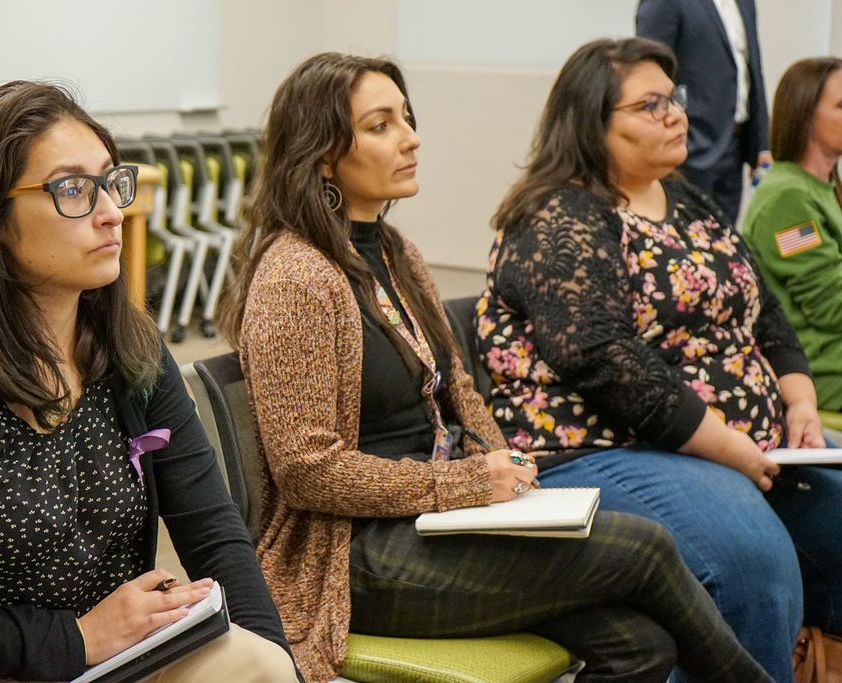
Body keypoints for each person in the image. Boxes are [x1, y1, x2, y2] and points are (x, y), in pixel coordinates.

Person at [219, 51, 771, 683]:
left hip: (437, 518)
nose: (411, 137)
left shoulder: (397, 253)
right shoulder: (296, 276)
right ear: (322, 155)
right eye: (381, 125)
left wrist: (506, 472)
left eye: (407, 117)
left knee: (640, 644)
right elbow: (308, 475)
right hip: (353, 555)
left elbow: (459, 389)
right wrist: (469, 487)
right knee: (644, 548)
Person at [0, 81, 297, 683]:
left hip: (114, 655)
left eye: (110, 181)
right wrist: (74, 638)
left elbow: (214, 531)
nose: (111, 211)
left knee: (257, 667)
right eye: (73, 189)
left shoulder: (129, 345)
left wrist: (274, 656)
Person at [476, 37, 842, 682]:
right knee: (748, 559)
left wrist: (799, 401)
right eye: (650, 105)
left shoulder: (687, 200)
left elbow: (764, 310)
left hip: (729, 446)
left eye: (674, 99)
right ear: (592, 123)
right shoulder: (560, 214)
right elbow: (601, 356)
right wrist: (722, 444)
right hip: (599, 448)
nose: (676, 115)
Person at [741, 57, 842, 412]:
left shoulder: (822, 188)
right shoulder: (788, 198)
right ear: (805, 115)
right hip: (821, 369)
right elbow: (832, 305)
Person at [637, 0, 771, 224]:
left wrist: (761, 144)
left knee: (724, 243)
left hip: (736, 146)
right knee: (684, 240)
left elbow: (752, 69)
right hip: (687, 148)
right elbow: (648, 73)